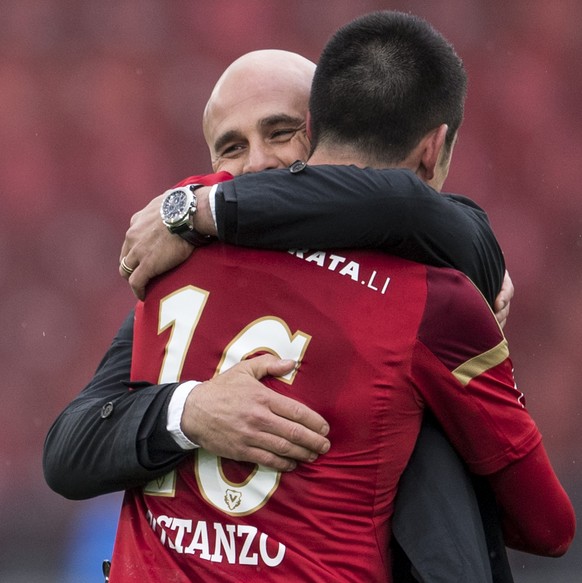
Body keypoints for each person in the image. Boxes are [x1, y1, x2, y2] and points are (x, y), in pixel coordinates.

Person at [106, 11, 574, 582]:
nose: (256, 166)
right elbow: (549, 528)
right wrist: (189, 412)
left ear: (316, 130)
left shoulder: (179, 242)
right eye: (232, 148)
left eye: (278, 134)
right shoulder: (437, 295)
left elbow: (410, 208)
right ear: (435, 148)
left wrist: (195, 207)